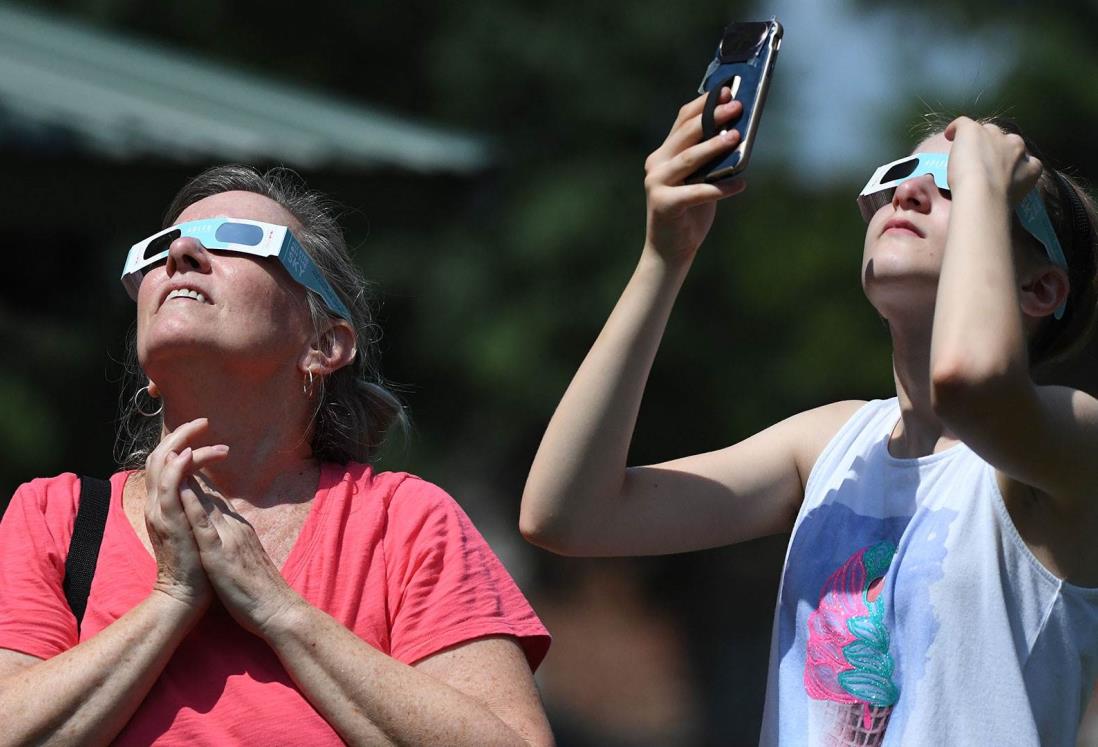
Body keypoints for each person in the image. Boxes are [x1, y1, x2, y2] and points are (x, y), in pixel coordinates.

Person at [519, 87, 1098, 745]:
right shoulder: (829, 443)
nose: (907, 194)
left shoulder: (1072, 441)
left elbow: (972, 385)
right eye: (899, 177)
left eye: (956, 187)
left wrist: (988, 188)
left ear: (1040, 287)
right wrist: (664, 257)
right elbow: (566, 513)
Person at [0, 166, 554, 745]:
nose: (182, 253)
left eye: (237, 241)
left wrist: (275, 606)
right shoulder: (55, 519)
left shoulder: (404, 524)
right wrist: (172, 600)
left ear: (324, 344)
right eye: (162, 248)